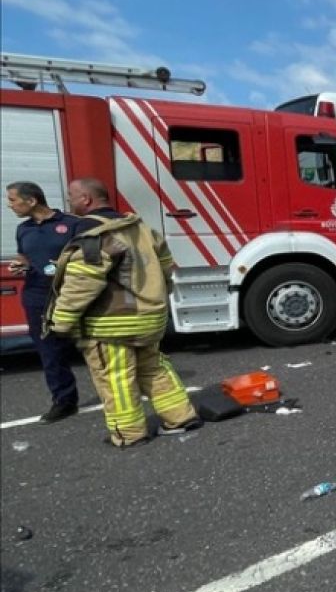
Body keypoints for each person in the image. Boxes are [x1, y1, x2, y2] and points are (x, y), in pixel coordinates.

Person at [47, 179, 200, 447]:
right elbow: (166, 269)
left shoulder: (94, 235)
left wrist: (60, 322)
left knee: (116, 379)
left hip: (111, 324)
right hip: (150, 317)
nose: (68, 202)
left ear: (86, 199)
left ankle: (129, 434)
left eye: (71, 196)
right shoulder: (143, 230)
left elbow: (81, 284)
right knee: (154, 369)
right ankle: (180, 418)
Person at [6, 181, 81, 423]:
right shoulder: (23, 229)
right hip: (37, 295)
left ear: (31, 200)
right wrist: (21, 263)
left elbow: (88, 256)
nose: (10, 205)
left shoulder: (71, 224)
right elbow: (24, 255)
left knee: (95, 345)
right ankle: (64, 401)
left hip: (72, 293)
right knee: (49, 351)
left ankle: (117, 394)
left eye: (13, 199)